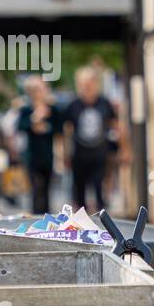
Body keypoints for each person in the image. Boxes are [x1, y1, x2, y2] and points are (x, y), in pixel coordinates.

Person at [64, 66, 116, 213]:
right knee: (79, 194)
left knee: (100, 192)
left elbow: (116, 127)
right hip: (79, 155)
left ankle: (103, 225)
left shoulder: (104, 103)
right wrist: (64, 153)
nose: (87, 86)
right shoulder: (73, 105)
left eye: (90, 82)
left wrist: (123, 149)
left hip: (100, 154)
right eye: (83, 83)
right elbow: (67, 131)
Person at [20, 75, 63, 215]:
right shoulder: (26, 109)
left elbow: (59, 130)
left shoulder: (53, 110)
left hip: (48, 157)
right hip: (32, 157)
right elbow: (20, 126)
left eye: (41, 89)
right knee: (36, 190)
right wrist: (35, 118)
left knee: (47, 191)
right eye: (35, 89)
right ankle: (36, 218)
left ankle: (47, 219)